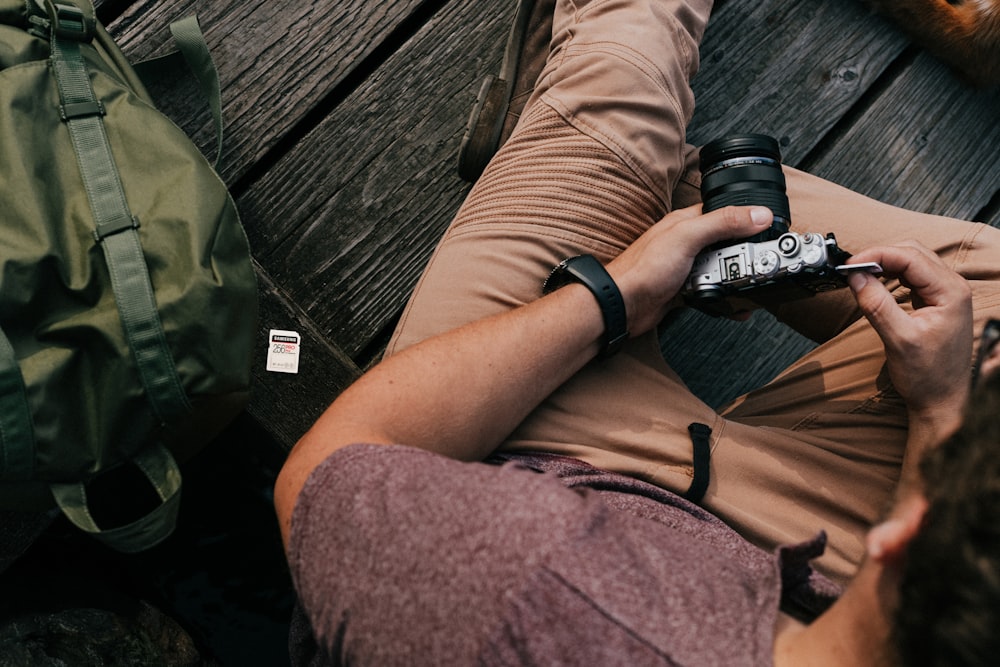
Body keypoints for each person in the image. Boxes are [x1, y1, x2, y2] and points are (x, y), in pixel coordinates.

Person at [274, 0, 1000, 663]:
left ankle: (592, 147)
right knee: (979, 293)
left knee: (626, 80)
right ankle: (635, 182)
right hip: (830, 586)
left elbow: (330, 468)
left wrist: (616, 296)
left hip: (528, 455)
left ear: (911, 535)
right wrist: (941, 416)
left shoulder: (528, 597)